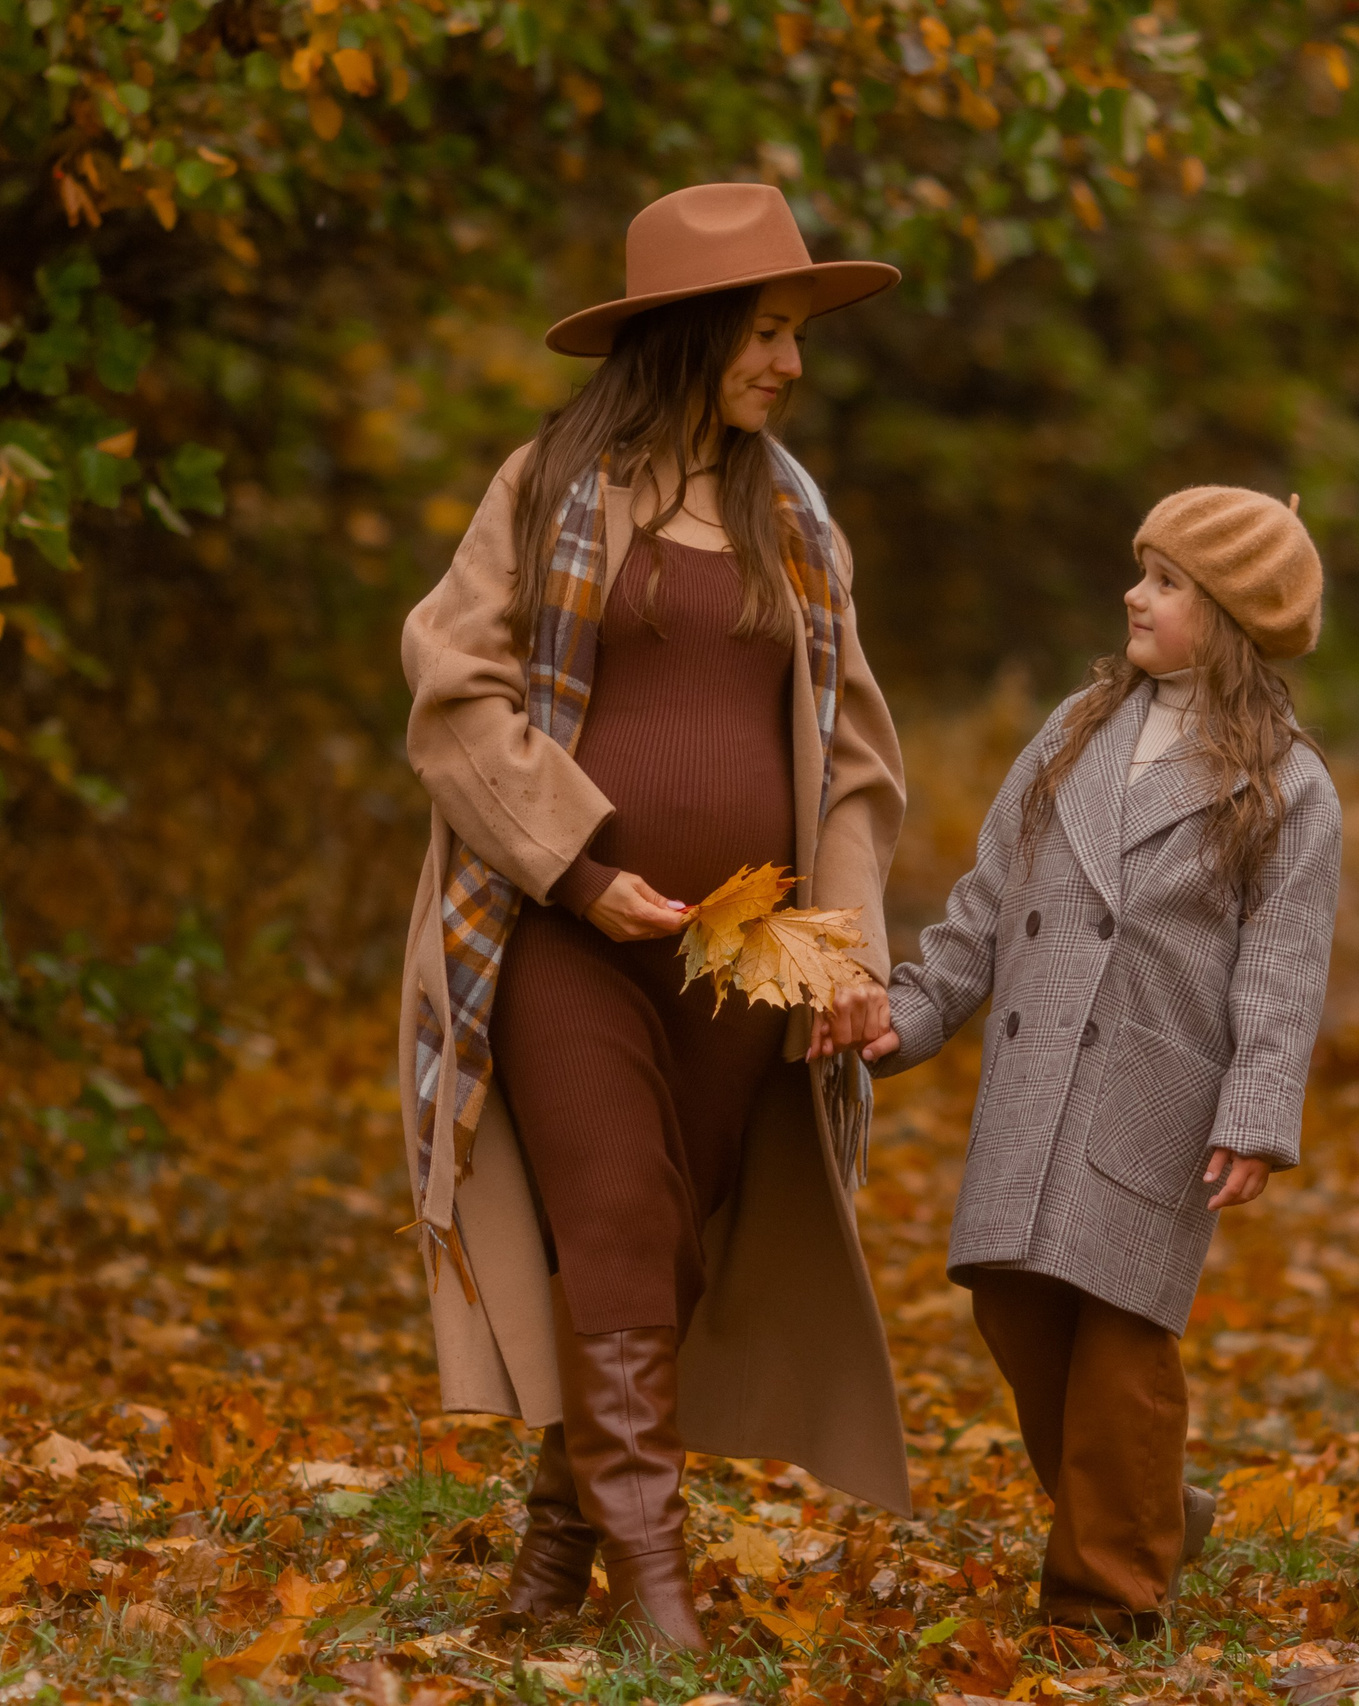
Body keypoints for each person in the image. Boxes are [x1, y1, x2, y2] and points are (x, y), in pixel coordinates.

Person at [392, 182, 908, 1651]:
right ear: (685, 334)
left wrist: (847, 950)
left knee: (668, 1247)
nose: (790, 364)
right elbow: (453, 688)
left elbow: (859, 761)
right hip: (569, 936)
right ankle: (657, 1598)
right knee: (616, 1210)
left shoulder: (794, 518)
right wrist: (576, 862)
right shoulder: (553, 486)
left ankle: (559, 1555)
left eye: (797, 334)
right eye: (765, 331)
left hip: (743, 963)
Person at [861, 487, 1344, 1638]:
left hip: (1154, 1094)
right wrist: (913, 1011)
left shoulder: (1287, 784)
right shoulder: (1079, 726)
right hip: (1034, 1082)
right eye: (1142, 569)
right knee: (1015, 1314)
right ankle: (1146, 1505)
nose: (1135, 593)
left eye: (1168, 580)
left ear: (1228, 614)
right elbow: (989, 894)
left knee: (1121, 1347)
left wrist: (1256, 1109)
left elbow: (1281, 966)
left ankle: (1104, 1600)